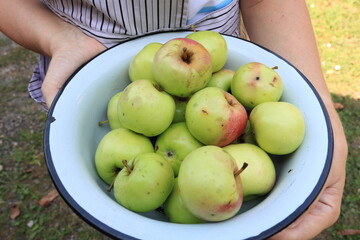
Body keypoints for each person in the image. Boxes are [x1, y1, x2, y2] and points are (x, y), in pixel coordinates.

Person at [0, 0, 348, 239]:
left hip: (214, 67)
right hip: (82, 56)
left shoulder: (228, 100)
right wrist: (58, 38)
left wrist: (324, 120)